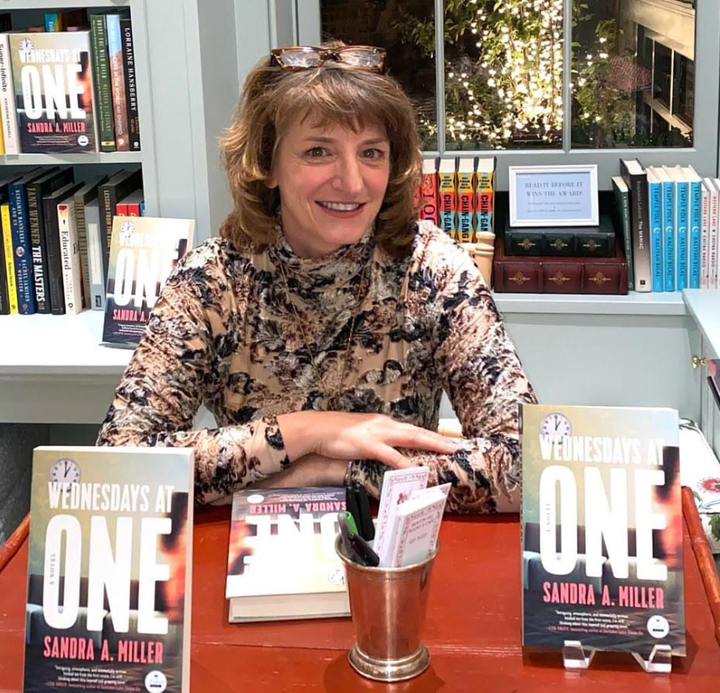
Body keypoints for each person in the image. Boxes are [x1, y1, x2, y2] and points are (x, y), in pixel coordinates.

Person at [97, 43, 537, 513]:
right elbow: (118, 468)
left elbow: (530, 466)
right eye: (318, 151)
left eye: (371, 152)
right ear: (267, 165)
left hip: (397, 556)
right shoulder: (211, 282)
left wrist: (339, 470)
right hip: (252, 560)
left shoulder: (431, 269)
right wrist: (309, 431)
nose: (351, 182)